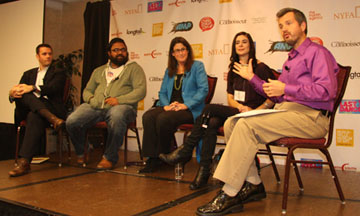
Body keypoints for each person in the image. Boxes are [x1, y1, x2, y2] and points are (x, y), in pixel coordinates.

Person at [196, 8, 338, 216]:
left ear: (303, 25)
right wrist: (252, 77)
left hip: (312, 117)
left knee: (245, 125)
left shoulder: (318, 53)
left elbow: (327, 91)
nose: (284, 30)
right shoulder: (291, 59)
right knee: (232, 122)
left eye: (289, 24)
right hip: (287, 111)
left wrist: (286, 89)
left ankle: (230, 192)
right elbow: (277, 95)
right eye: (281, 26)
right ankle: (254, 183)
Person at [159, 32, 275, 190]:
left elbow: (272, 97)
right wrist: (239, 107)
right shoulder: (233, 68)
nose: (240, 45)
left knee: (208, 109)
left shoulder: (261, 68)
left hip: (254, 113)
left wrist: (254, 110)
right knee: (211, 122)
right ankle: (203, 170)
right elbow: (230, 97)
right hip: (237, 111)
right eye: (237, 43)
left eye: (244, 42)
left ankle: (188, 153)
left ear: (251, 46)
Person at [66, 37, 146, 170]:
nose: (120, 53)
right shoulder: (99, 71)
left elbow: (140, 91)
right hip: (96, 107)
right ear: (109, 53)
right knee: (72, 121)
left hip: (123, 107)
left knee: (116, 115)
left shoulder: (134, 69)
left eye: (123, 50)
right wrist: (91, 99)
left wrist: (119, 100)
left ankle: (109, 157)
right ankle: (82, 151)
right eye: (116, 50)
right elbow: (87, 90)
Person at [139, 37, 209, 173]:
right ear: (172, 54)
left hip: (190, 109)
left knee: (163, 119)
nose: (180, 53)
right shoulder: (169, 70)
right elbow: (163, 92)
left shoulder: (197, 66)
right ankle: (152, 158)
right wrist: (166, 106)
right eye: (177, 50)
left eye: (183, 49)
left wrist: (186, 105)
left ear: (188, 51)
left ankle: (163, 156)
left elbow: (203, 90)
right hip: (171, 107)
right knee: (148, 116)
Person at [8, 44, 67, 177]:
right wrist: (12, 93)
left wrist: (34, 88)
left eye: (50, 54)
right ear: (37, 56)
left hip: (49, 107)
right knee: (25, 94)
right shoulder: (28, 74)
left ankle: (24, 162)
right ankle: (52, 118)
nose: (48, 56)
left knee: (34, 115)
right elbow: (19, 93)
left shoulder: (58, 73)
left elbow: (53, 89)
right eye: (44, 54)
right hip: (28, 110)